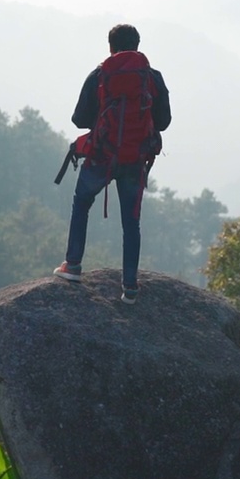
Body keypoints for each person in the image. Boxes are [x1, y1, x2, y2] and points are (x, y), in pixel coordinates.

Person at [54, 24, 171, 303]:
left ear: (110, 47)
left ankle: (73, 264)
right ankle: (129, 286)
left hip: (102, 157)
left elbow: (79, 120)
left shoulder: (99, 75)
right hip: (134, 159)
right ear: (138, 45)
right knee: (131, 222)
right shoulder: (152, 78)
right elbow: (164, 122)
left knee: (82, 202)